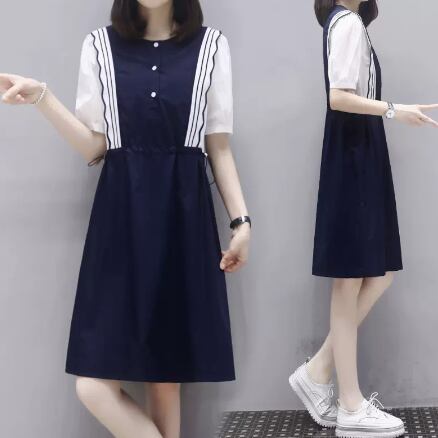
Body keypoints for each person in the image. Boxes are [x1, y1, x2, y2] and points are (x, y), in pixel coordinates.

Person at [0, 1, 251, 437]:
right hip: (120, 220)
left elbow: (219, 146)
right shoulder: (100, 46)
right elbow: (95, 147)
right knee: (93, 386)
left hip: (182, 217)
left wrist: (241, 222)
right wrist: (42, 97)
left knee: (165, 378)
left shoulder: (210, 46)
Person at [289, 1, 438, 437]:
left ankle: (319, 371)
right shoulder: (348, 22)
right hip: (353, 150)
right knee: (350, 278)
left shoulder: (348, 23)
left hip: (359, 148)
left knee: (375, 272)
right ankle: (350, 405)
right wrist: (395, 109)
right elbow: (338, 97)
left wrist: (394, 109)